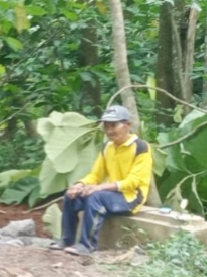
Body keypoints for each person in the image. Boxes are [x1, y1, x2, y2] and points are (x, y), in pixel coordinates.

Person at [55, 104, 153, 255]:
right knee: (71, 195)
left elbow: (134, 181)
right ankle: (66, 240)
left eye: (114, 125)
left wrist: (100, 187)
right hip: (112, 194)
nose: (109, 130)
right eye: (106, 126)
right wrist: (80, 184)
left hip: (131, 197)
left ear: (127, 125)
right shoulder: (107, 147)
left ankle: (87, 245)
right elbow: (95, 175)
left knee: (95, 196)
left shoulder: (140, 147)